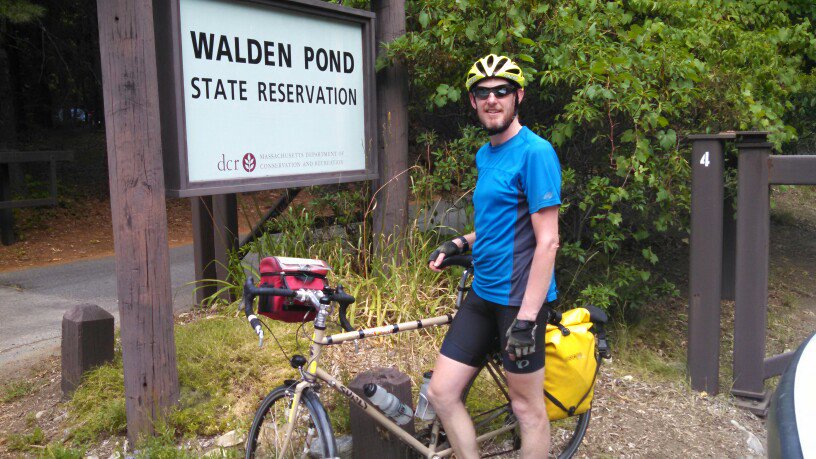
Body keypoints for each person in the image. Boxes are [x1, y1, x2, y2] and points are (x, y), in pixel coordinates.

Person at [426, 54, 561, 458]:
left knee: (527, 408)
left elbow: (548, 241)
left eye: (501, 91)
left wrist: (525, 320)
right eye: (482, 93)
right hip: (484, 294)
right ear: (472, 101)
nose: (492, 99)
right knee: (442, 392)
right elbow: (496, 223)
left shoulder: (535, 152)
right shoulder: (486, 154)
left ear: (518, 95)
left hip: (521, 303)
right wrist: (460, 243)